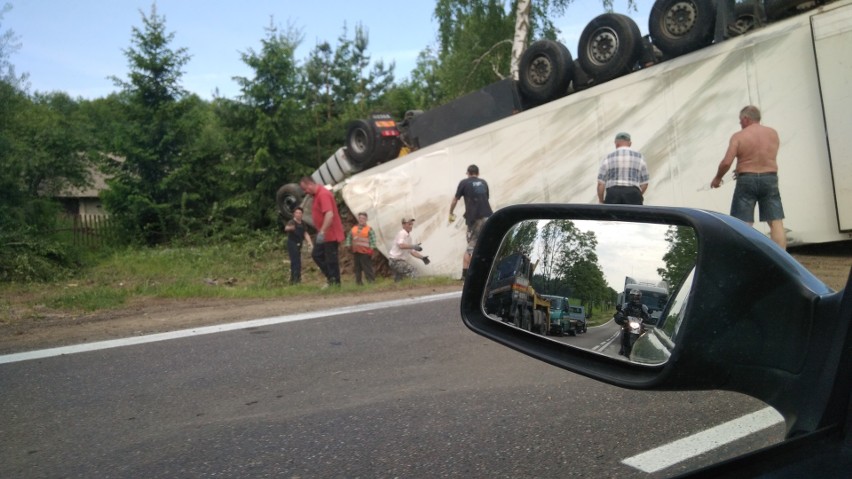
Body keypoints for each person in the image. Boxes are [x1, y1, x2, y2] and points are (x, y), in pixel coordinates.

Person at [711, 105, 786, 249]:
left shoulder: (739, 136)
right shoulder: (773, 133)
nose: (740, 124)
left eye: (740, 121)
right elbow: (765, 156)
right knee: (775, 221)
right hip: (770, 179)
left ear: (746, 119)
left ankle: (744, 256)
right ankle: (783, 259)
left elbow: (727, 162)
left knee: (743, 223)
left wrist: (717, 178)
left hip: (746, 180)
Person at [298, 176, 344, 287]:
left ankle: (335, 283)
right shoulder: (317, 195)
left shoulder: (323, 195)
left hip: (330, 234)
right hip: (324, 234)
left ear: (310, 184)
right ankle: (331, 279)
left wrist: (322, 232)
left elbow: (329, 214)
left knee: (331, 259)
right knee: (317, 255)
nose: (306, 192)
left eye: (305, 189)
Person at [449, 164, 493, 280]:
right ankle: (486, 272)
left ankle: (465, 275)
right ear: (477, 173)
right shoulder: (483, 182)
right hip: (489, 217)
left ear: (468, 173)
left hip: (475, 218)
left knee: (471, 245)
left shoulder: (464, 182)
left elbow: (455, 200)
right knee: (485, 244)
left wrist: (451, 212)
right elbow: (485, 199)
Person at [597, 132, 650, 205]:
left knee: (613, 216)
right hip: (633, 193)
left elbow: (600, 183)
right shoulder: (640, 157)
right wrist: (637, 195)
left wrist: (601, 201)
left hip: (613, 194)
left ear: (616, 143)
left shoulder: (608, 158)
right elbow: (645, 183)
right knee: (633, 216)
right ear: (630, 143)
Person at [387, 217, 430, 282]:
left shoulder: (408, 237)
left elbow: (411, 251)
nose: (411, 226)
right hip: (396, 261)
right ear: (403, 225)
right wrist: (413, 246)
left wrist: (422, 257)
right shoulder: (402, 233)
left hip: (395, 261)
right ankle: (417, 287)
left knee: (399, 281)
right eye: (409, 224)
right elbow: (401, 245)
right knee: (413, 271)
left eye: (411, 224)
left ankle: (399, 290)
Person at [613, 289, 650, 357]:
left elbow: (647, 315)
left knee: (645, 332)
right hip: (628, 323)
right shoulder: (626, 305)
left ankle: (643, 349)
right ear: (630, 296)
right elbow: (621, 312)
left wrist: (647, 317)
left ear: (639, 297)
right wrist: (620, 316)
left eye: (636, 296)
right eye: (633, 296)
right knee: (623, 330)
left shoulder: (643, 307)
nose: (634, 298)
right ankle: (622, 348)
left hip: (639, 324)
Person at [344, 211, 377, 285]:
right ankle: (358, 283)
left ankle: (371, 281)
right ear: (358, 219)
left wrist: (371, 249)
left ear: (366, 219)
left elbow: (373, 240)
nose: (361, 220)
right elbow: (349, 237)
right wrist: (348, 245)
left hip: (365, 252)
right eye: (360, 218)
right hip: (356, 251)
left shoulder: (369, 229)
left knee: (367, 268)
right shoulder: (354, 229)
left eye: (363, 218)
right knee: (357, 268)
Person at [283, 206, 313, 285]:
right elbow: (286, 228)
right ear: (294, 214)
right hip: (292, 243)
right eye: (297, 213)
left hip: (299, 243)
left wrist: (309, 242)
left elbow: (305, 233)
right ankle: (295, 280)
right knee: (295, 261)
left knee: (298, 262)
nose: (298, 214)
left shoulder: (302, 223)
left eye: (300, 213)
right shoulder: (292, 222)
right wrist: (291, 228)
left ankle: (296, 279)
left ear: (302, 214)